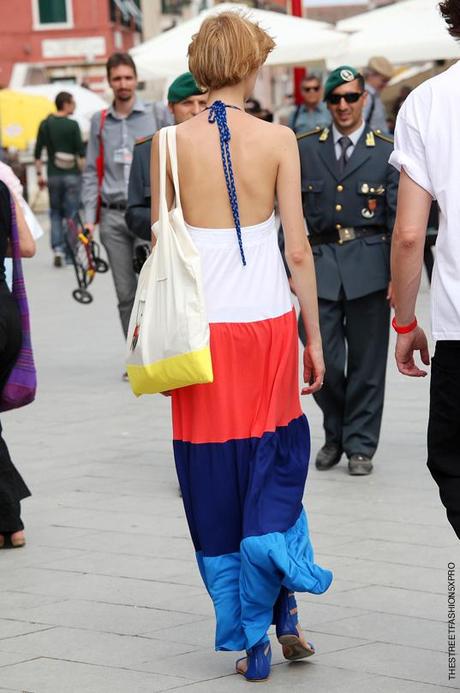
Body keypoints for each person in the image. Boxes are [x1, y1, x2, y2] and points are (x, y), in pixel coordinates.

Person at [150, 11, 332, 682]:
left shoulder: (165, 146)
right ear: (253, 65)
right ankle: (283, 607)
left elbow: (163, 246)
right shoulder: (280, 137)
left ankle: (253, 631)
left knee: (212, 476)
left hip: (200, 335)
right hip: (267, 326)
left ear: (200, 67)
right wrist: (313, 335)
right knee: (273, 461)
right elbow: (297, 248)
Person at [295, 66, 398, 476]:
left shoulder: (387, 149)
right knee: (326, 362)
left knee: (368, 365)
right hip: (319, 268)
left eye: (351, 98)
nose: (343, 106)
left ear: (364, 100)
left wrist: (398, 275)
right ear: (325, 102)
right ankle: (334, 431)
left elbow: (397, 217)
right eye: (335, 98)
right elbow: (288, 214)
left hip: (371, 265)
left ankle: (359, 445)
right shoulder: (305, 147)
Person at [389, 0, 460, 540]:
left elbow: (411, 234)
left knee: (452, 463)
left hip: (458, 328)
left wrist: (405, 322)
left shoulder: (429, 101)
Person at [82, 53, 158, 345]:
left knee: (152, 288)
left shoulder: (156, 115)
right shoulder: (99, 122)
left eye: (128, 77)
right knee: (125, 292)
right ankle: (135, 351)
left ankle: (157, 347)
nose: (123, 83)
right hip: (113, 216)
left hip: (146, 213)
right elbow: (90, 171)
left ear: (136, 79)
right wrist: (90, 220)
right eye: (117, 78)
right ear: (109, 81)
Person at [126, 72, 208, 242]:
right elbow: (134, 213)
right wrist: (172, 223)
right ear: (170, 107)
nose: (196, 110)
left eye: (203, 103)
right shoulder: (147, 150)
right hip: (166, 248)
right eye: (187, 103)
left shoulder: (223, 147)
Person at [0, 181, 35, 548]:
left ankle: (10, 518)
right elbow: (26, 246)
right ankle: (9, 521)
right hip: (7, 314)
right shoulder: (3, 187)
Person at [34, 91, 85, 267]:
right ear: (65, 104)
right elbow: (81, 153)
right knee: (71, 214)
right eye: (73, 102)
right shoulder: (73, 125)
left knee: (55, 213)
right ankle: (71, 253)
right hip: (71, 175)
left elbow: (38, 153)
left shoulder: (45, 124)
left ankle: (58, 249)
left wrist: (40, 175)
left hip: (53, 175)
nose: (74, 106)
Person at [363, 56, 394, 133]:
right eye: (384, 80)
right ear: (371, 75)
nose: (386, 85)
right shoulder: (366, 96)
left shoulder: (373, 95)